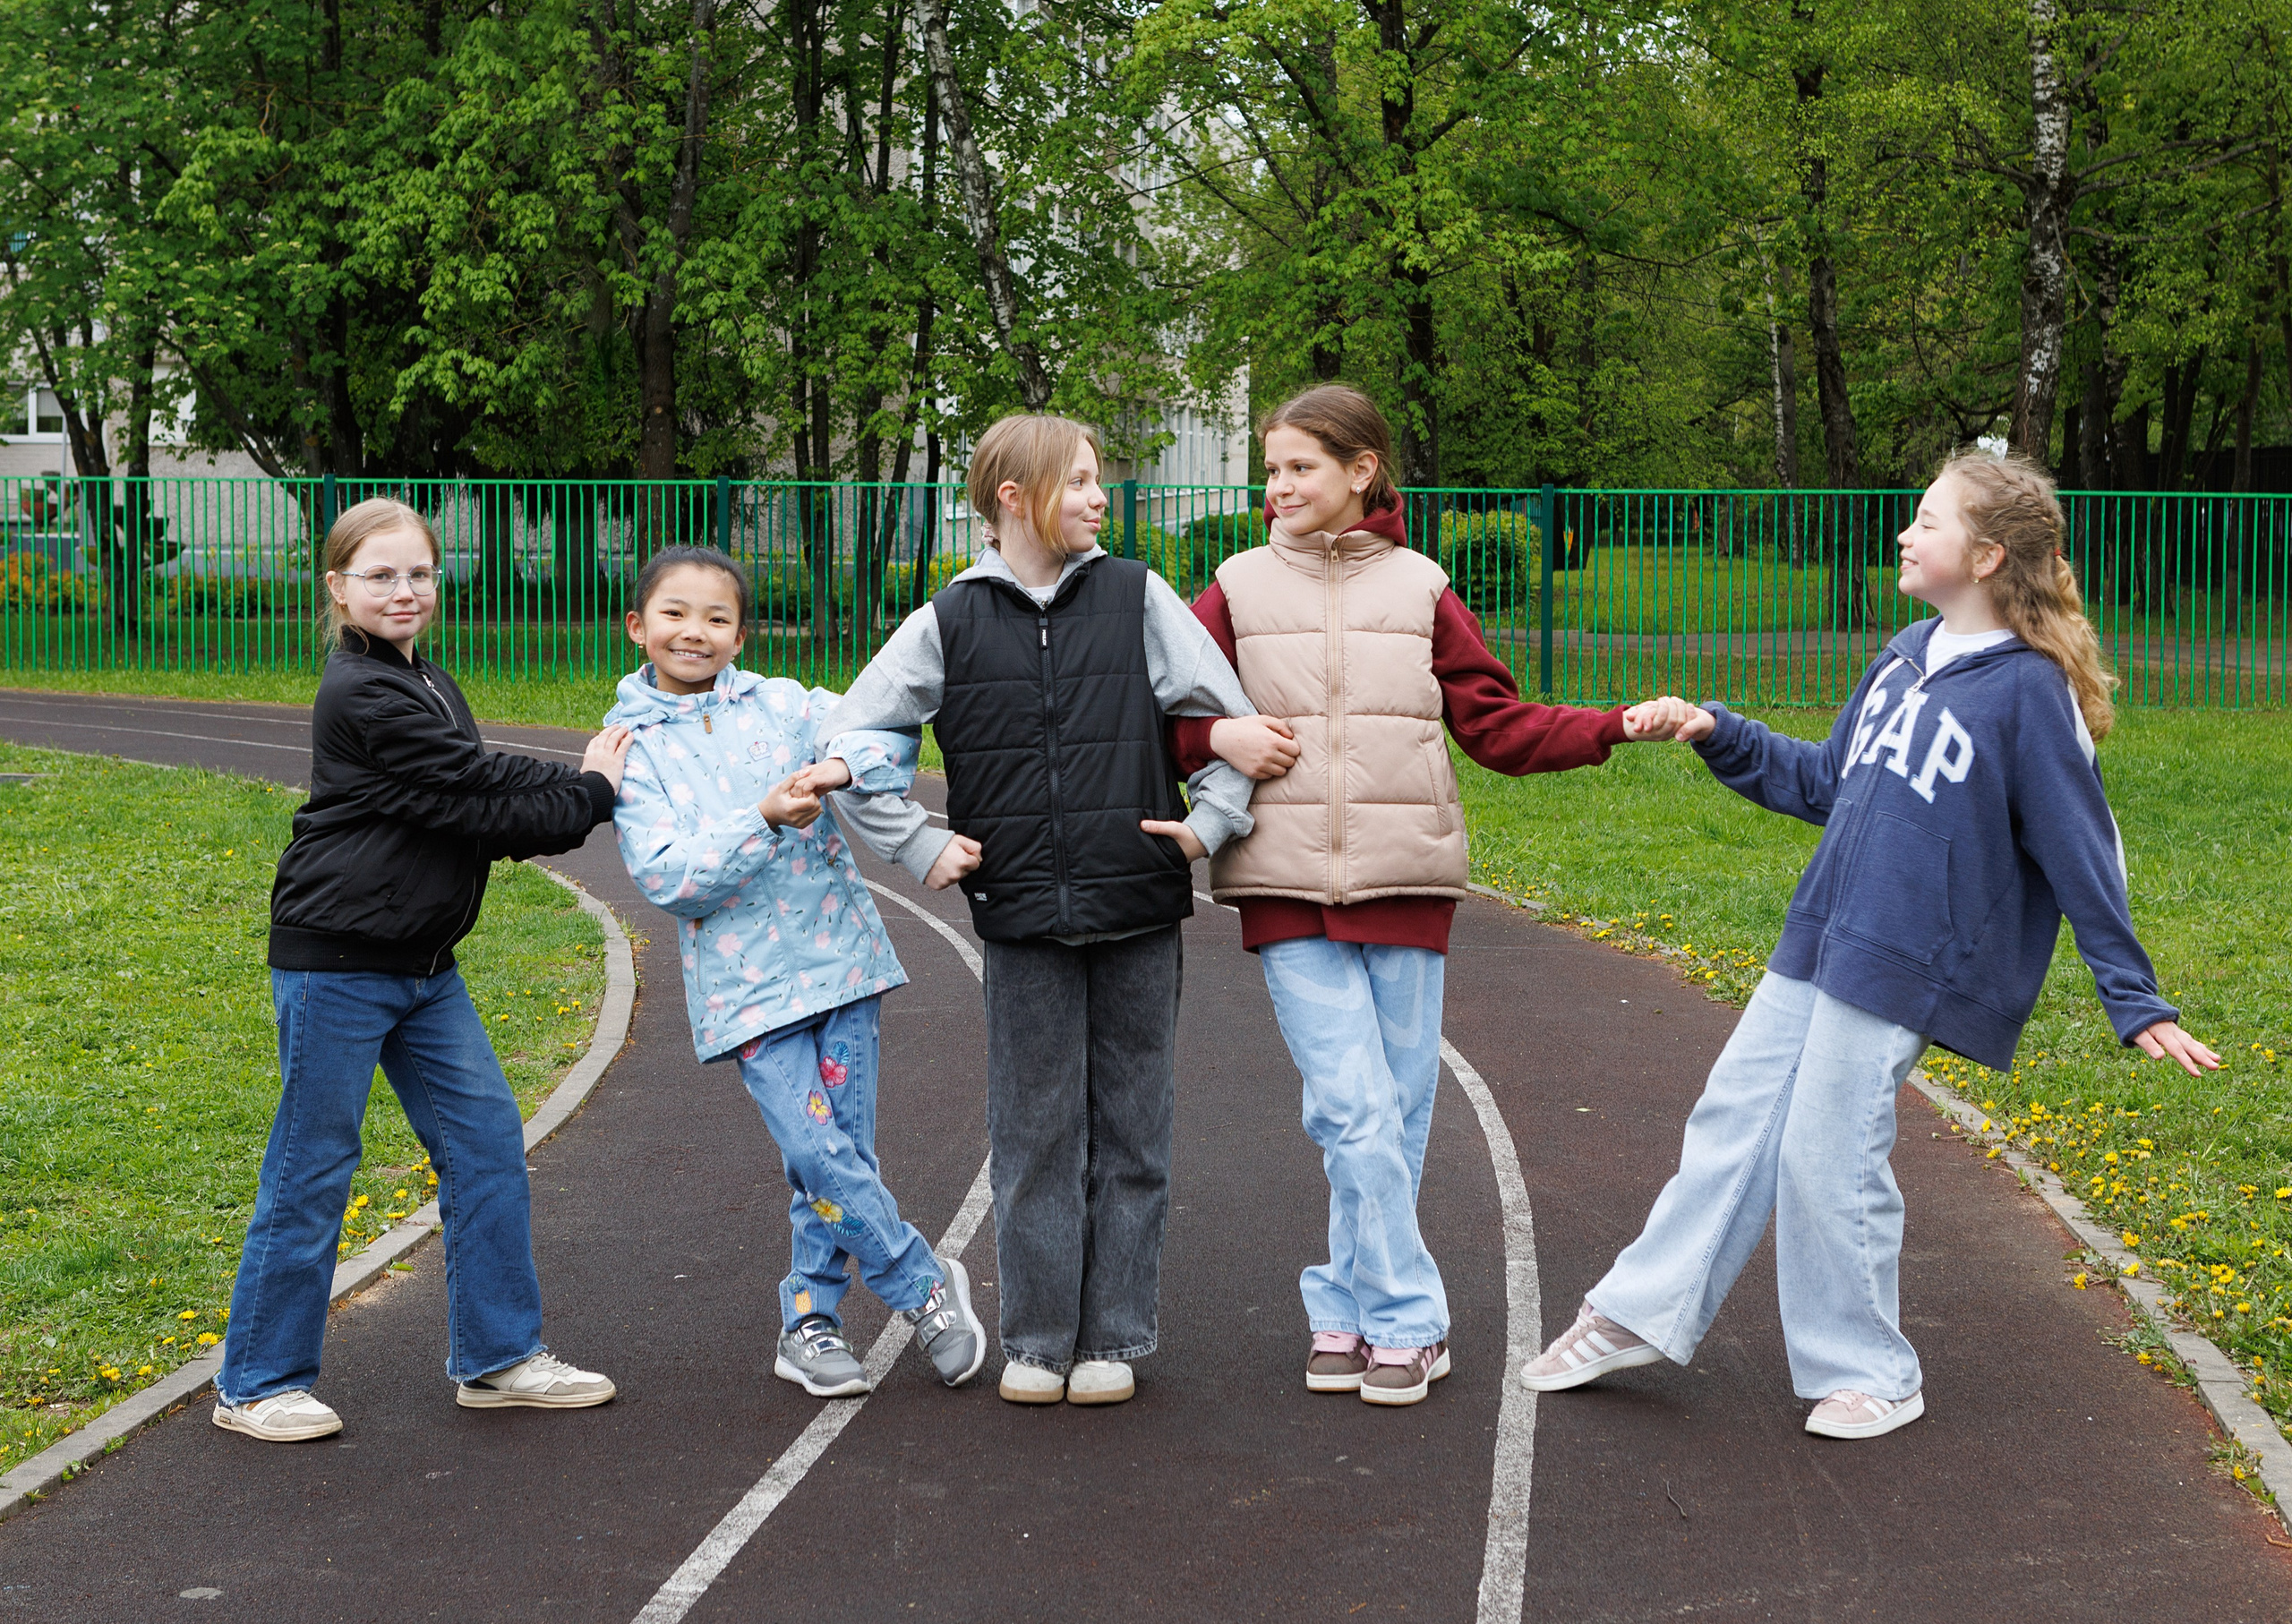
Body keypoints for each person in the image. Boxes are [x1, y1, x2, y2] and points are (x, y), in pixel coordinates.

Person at [1525, 449, 2220, 1439]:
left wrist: (2134, 994)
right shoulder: (1903, 652)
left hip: (1907, 958)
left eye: (1928, 520)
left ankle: (1870, 1371)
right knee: (1733, 1120)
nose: (1906, 531)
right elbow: (1824, 781)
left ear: (1984, 557)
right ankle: (1638, 1312)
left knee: (1828, 1152)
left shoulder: (2027, 691)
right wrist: (1718, 729)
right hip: (1820, 935)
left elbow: (2081, 848)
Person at [1166, 383, 1682, 1406]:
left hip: (1408, 885)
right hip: (1282, 886)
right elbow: (1161, 710)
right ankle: (1410, 1319)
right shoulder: (1230, 590)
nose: (1277, 488)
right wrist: (1210, 738)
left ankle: (1345, 1309)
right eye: (1269, 470)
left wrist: (1615, 724)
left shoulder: (1421, 587)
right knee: (1349, 1111)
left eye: (1299, 467)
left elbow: (1496, 724)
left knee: (1395, 1115)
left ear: (1361, 472)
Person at [824, 414, 1278, 1406]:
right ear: (1011, 497)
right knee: (1033, 1133)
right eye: (1077, 482)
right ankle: (1035, 1338)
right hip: (1020, 915)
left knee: (1132, 1129)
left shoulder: (1137, 596)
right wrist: (917, 842)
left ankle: (1114, 1333)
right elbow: (851, 739)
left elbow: (1230, 717)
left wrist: (1211, 824)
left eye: (1097, 481)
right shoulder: (946, 620)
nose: (1097, 497)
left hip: (1137, 907)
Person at [217, 498, 629, 1442]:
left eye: (418, 574)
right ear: (338, 588)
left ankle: (497, 1357)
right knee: (313, 1165)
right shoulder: (362, 693)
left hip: (424, 965)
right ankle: (256, 1381)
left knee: (485, 1148)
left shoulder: (423, 679)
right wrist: (594, 792)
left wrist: (581, 776)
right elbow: (477, 806)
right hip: (338, 963)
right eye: (380, 576)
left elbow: (478, 771)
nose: (404, 591)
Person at [606, 546, 988, 1397]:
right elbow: (670, 877)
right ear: (638, 626)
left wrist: (847, 764)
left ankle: (808, 1321)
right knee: (815, 1149)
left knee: (834, 1154)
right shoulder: (632, 750)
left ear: (741, 633)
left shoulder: (785, 706)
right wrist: (765, 819)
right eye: (674, 614)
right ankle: (920, 1283)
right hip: (745, 998)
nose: (694, 632)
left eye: (716, 618)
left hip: (841, 966)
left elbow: (884, 733)